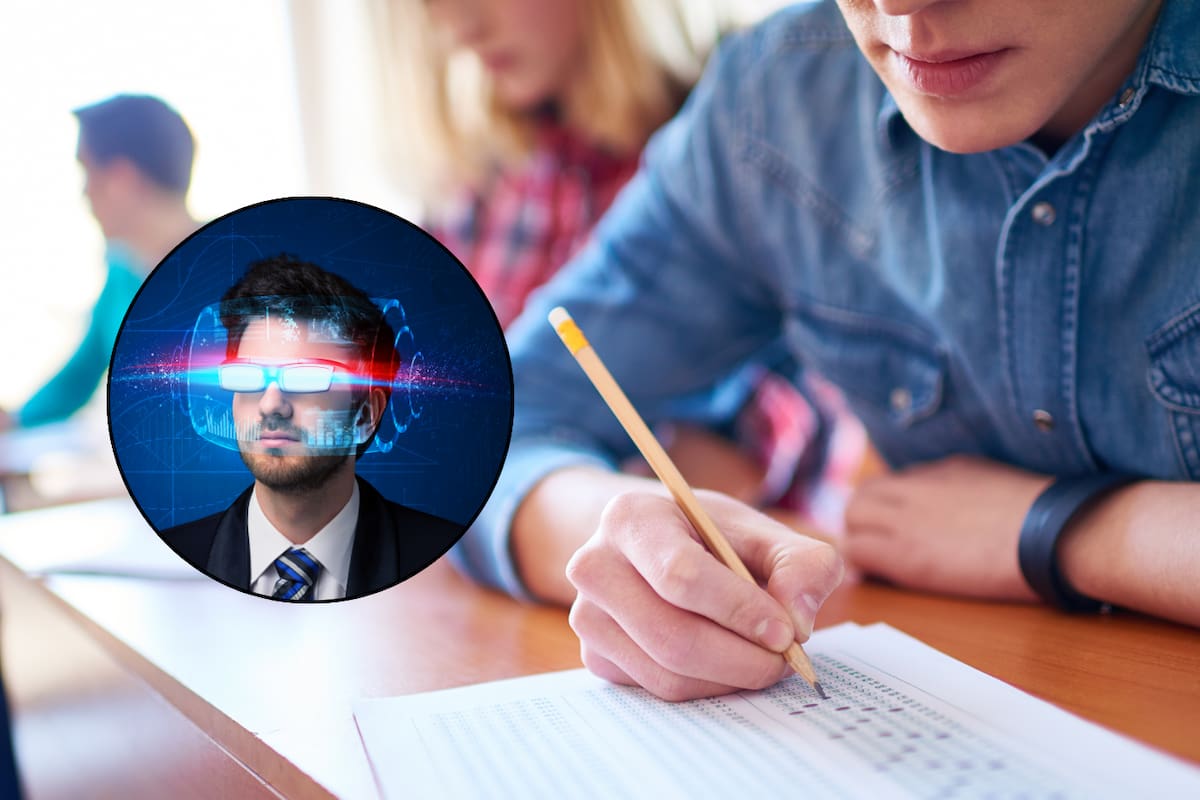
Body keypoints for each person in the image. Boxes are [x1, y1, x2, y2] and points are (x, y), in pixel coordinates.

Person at [456, 0, 1200, 701]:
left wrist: (1065, 533)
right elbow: (480, 431)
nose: (901, 6)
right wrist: (637, 544)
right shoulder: (777, 103)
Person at [377, 0, 865, 528]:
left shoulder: (734, 152)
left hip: (749, 545)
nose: (461, 27)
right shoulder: (475, 189)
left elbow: (804, 405)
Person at [161, 255, 463, 601]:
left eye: (306, 378)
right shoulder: (170, 564)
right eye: (246, 377)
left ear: (365, 414)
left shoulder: (449, 571)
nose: (270, 404)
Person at [0, 94, 200, 431]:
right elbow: (81, 373)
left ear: (121, 179)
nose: (85, 194)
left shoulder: (237, 268)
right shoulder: (121, 272)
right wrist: (14, 421)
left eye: (88, 172)